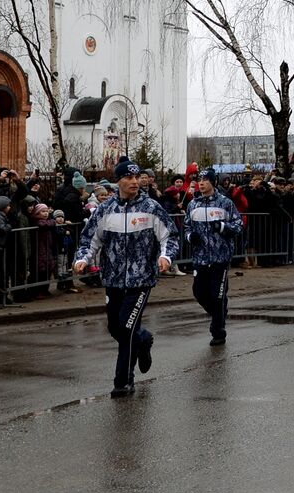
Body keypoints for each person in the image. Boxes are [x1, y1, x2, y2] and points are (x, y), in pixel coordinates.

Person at [73, 156, 179, 397]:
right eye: (128, 177)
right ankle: (143, 340)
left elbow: (170, 236)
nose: (134, 182)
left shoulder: (150, 207)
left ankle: (123, 380)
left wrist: (166, 257)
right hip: (112, 279)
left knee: (127, 327)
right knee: (115, 327)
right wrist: (82, 259)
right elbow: (90, 239)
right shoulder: (105, 209)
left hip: (141, 279)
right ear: (118, 180)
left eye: (136, 177)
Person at [185, 169, 245, 345]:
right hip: (200, 257)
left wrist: (221, 227)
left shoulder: (224, 203)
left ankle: (218, 331)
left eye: (205, 180)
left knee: (218, 294)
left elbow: (238, 224)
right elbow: (187, 227)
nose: (201, 183)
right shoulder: (192, 205)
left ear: (213, 182)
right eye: (199, 180)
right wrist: (190, 237)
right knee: (199, 292)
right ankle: (219, 314)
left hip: (220, 256)